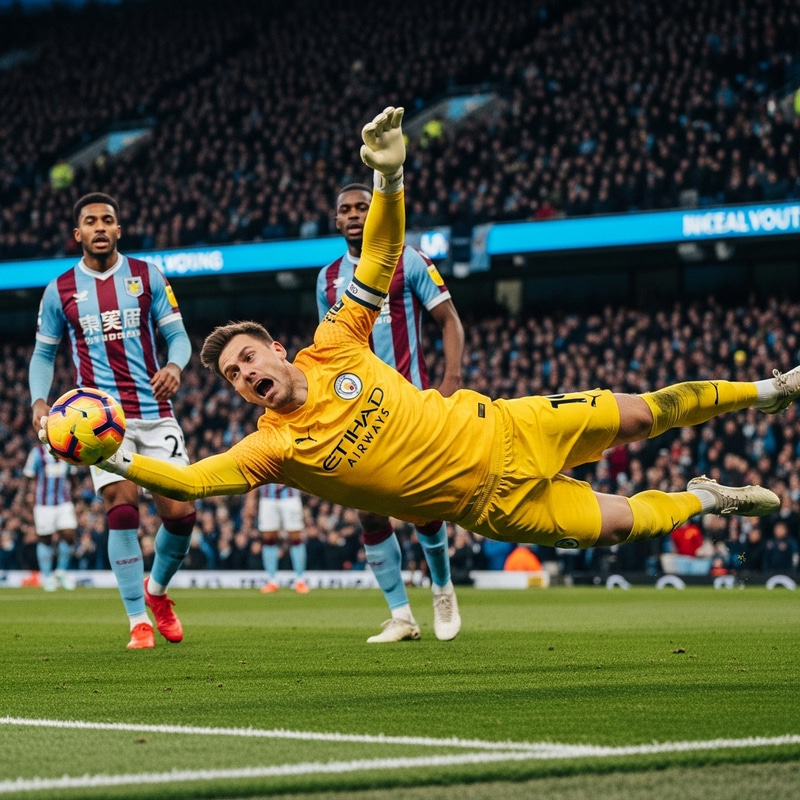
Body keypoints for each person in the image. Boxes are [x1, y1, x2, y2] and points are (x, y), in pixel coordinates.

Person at [47, 107, 794, 587]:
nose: (246, 375)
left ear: (277, 347)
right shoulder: (271, 448)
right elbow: (193, 483)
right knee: (625, 521)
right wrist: (106, 454)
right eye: (237, 377)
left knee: (644, 416)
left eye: (248, 358)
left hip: (507, 426)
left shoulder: (334, 342)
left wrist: (391, 176)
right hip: (493, 508)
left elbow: (379, 259)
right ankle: (707, 498)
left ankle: (771, 388)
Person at [30, 192, 197, 650]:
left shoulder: (147, 276)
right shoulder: (59, 290)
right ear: (77, 233)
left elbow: (177, 336)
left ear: (119, 230)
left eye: (108, 219)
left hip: (156, 412)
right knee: (122, 510)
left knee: (181, 514)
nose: (100, 227)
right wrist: (38, 402)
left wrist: (175, 367)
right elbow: (44, 354)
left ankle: (157, 592)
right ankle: (136, 620)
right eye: (91, 221)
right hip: (101, 422)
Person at [316, 179, 465, 642]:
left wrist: (451, 380)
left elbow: (449, 321)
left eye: (364, 206)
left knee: (424, 505)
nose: (356, 214)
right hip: (359, 412)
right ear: (336, 219)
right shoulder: (326, 280)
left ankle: (442, 588)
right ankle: (401, 614)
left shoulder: (410, 259)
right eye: (348, 209)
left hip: (414, 404)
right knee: (369, 513)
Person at [23, 442, 78, 591]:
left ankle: (61, 571)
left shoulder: (67, 451)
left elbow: (73, 476)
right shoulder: (37, 452)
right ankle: (47, 577)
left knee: (69, 534)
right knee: (45, 539)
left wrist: (76, 496)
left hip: (63, 501)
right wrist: (23, 501)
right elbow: (28, 476)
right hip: (43, 503)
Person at [256, 483, 310, 594]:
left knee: (295, 536)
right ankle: (272, 580)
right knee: (268, 538)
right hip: (267, 497)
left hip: (290, 496)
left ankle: (300, 579)